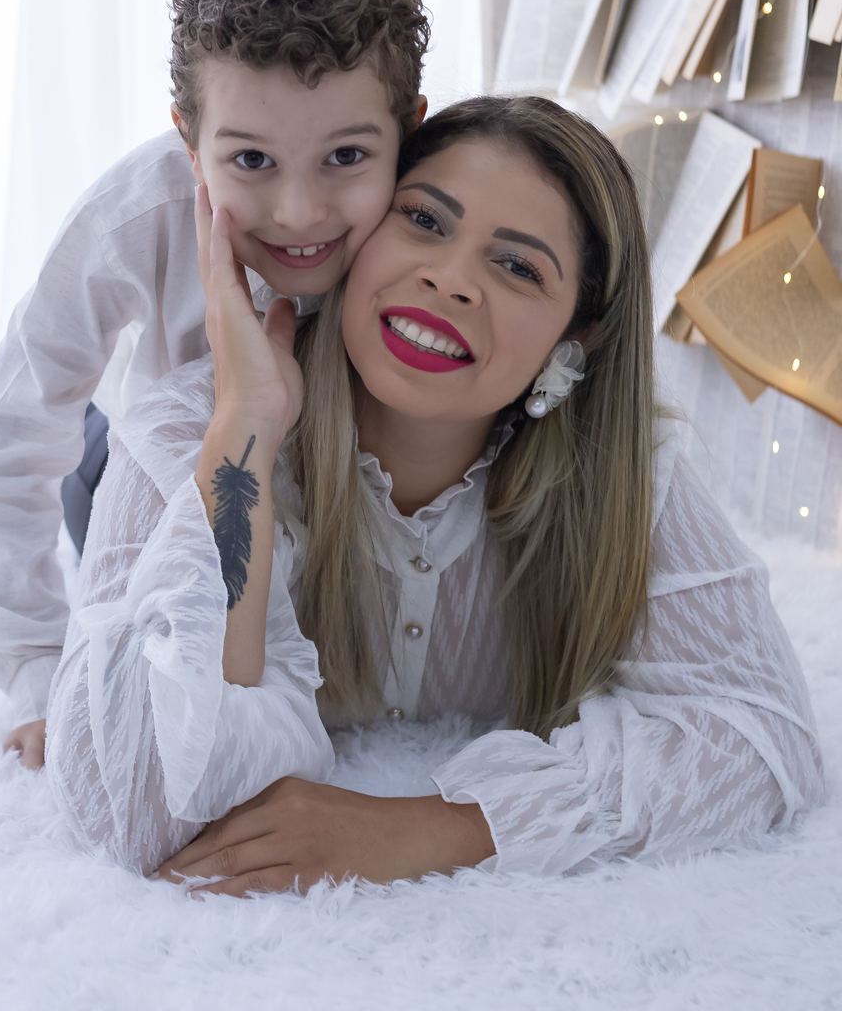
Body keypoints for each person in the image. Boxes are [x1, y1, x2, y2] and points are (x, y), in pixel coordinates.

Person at [46, 97, 825, 887]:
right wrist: (246, 432)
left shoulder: (626, 472)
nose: (450, 281)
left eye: (518, 267)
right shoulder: (196, 422)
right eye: (423, 220)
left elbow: (769, 741)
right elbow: (137, 810)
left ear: (575, 339)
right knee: (91, 471)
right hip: (121, 467)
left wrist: (429, 830)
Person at [0, 0, 430, 768]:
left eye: (347, 157)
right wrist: (35, 670)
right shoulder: (135, 214)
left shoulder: (438, 220)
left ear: (412, 129)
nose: (299, 212)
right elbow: (8, 433)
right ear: (187, 139)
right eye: (250, 161)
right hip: (147, 475)